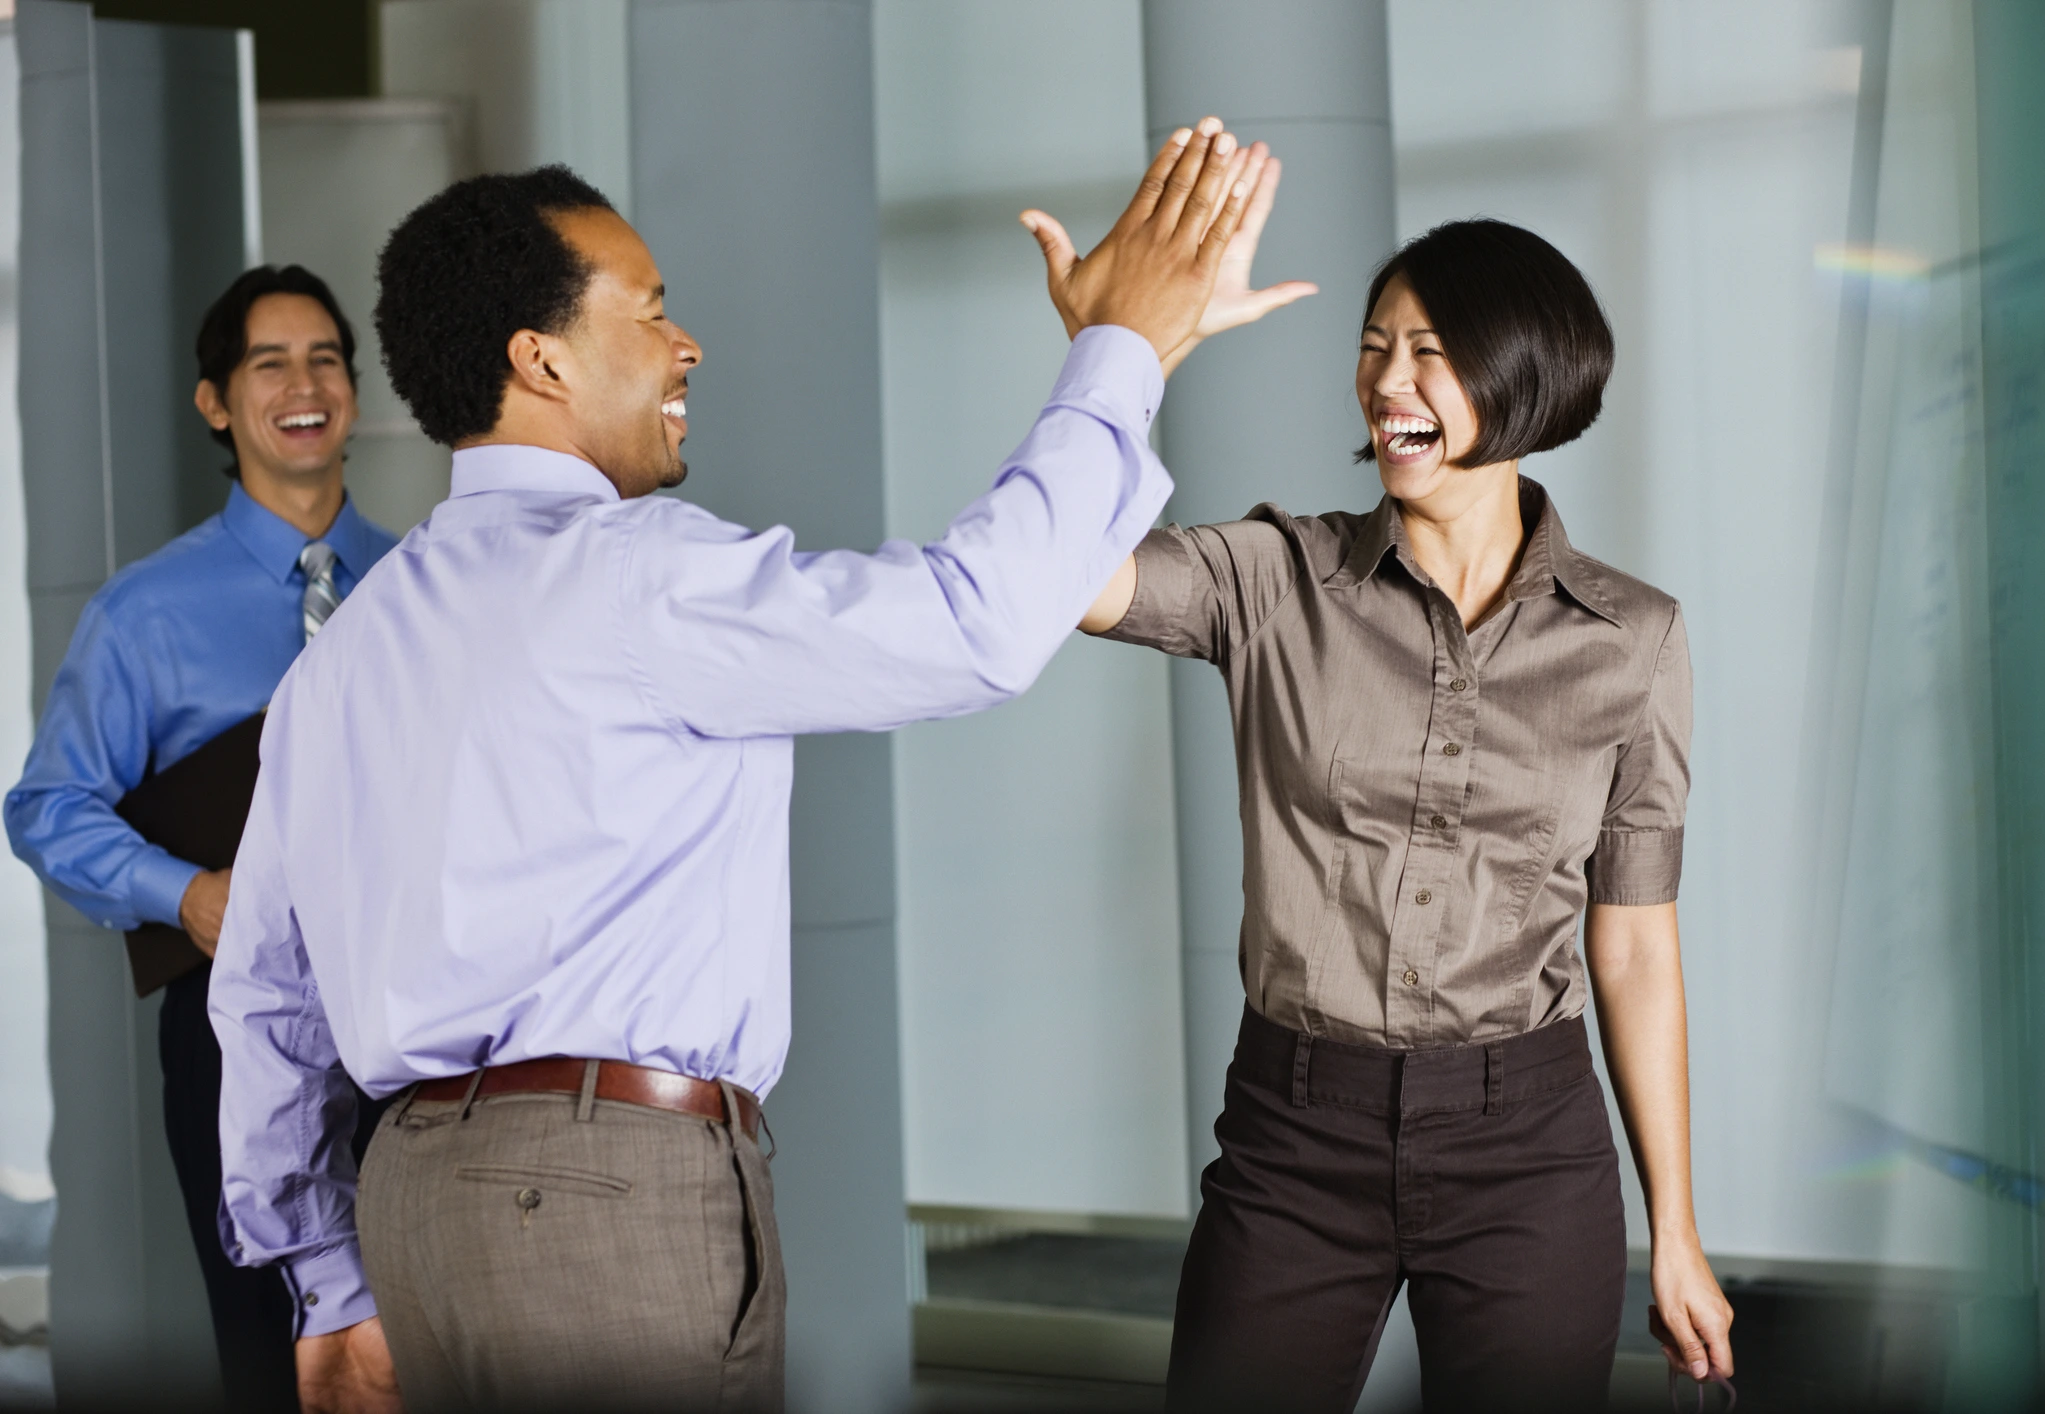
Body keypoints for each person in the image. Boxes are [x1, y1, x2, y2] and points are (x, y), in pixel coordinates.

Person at [209, 120, 1305, 1414]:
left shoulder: (345, 654)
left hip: (412, 1213)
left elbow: (266, 993)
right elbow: (970, 624)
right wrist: (1123, 351)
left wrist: (328, 1281)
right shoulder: (638, 573)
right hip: (608, 1193)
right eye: (654, 310)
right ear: (540, 355)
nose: (687, 346)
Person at [1078, 219, 1736, 1413]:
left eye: (1428, 350)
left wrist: (1677, 1229)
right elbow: (1059, 577)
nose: (1387, 381)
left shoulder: (1634, 639)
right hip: (1293, 1132)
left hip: (1530, 1144)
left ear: (1521, 376)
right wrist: (1115, 349)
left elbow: (1635, 939)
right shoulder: (1274, 577)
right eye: (1376, 346)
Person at [5, 266, 398, 1412]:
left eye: (325, 357)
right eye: (268, 363)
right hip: (237, 1023)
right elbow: (46, 804)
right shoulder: (144, 611)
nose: (303, 383)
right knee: (276, 1352)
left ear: (354, 394)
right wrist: (188, 895)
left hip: (422, 1020)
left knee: (431, 1333)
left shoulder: (424, 585)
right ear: (217, 404)